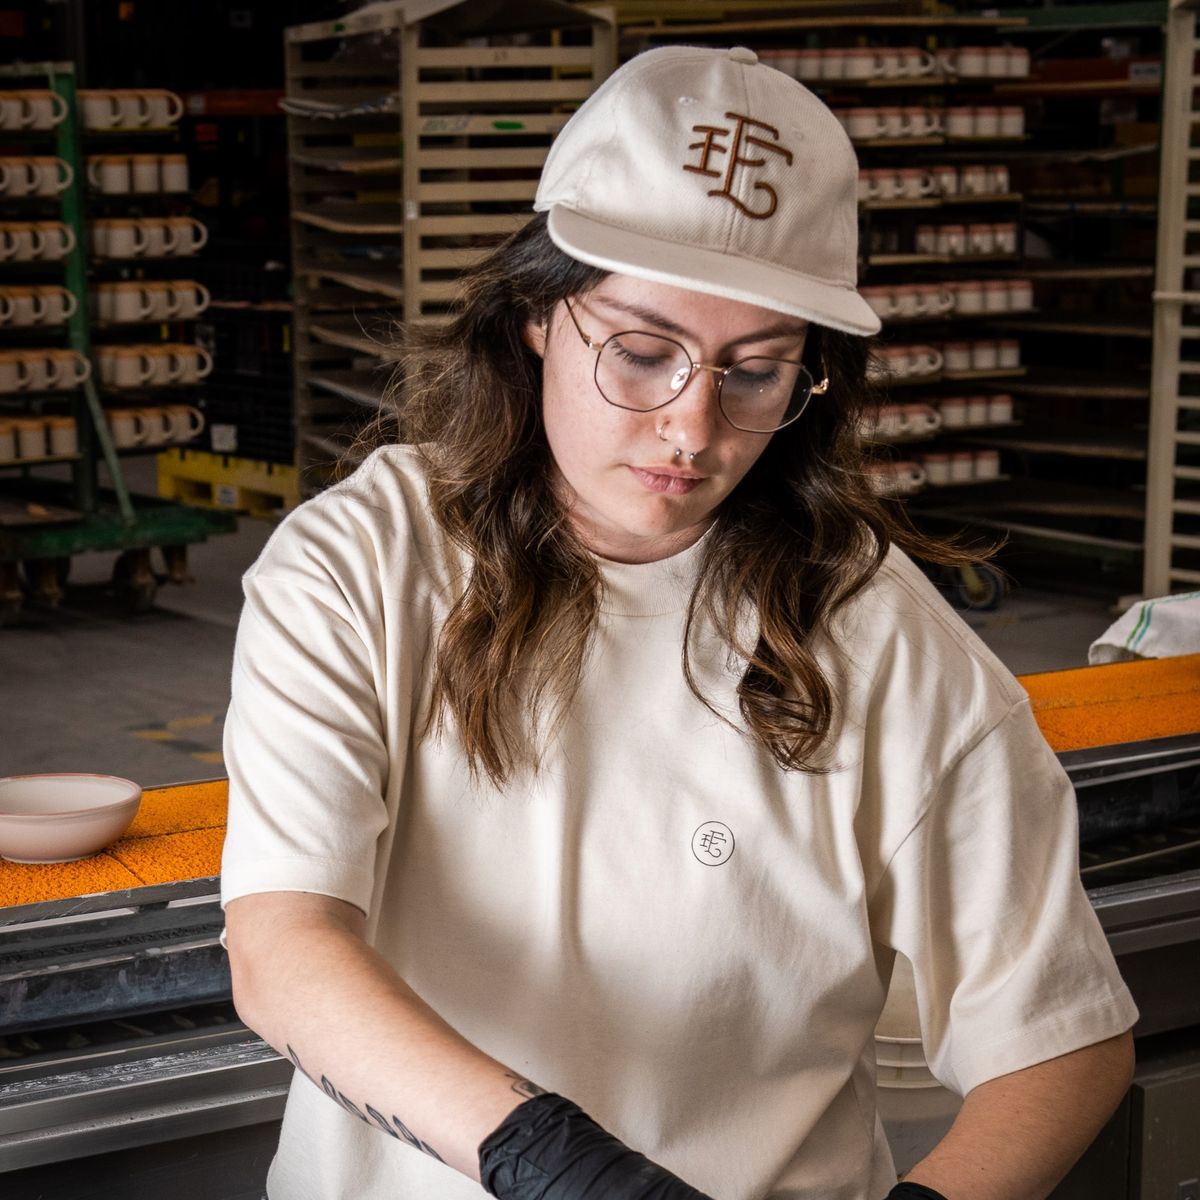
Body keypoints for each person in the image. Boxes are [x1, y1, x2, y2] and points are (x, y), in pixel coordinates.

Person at [220, 45, 1137, 1200]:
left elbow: (1060, 1038)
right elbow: (286, 952)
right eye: (643, 353)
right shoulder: (363, 564)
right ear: (540, 316)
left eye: (754, 372)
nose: (690, 429)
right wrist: (558, 1167)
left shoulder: (876, 633)